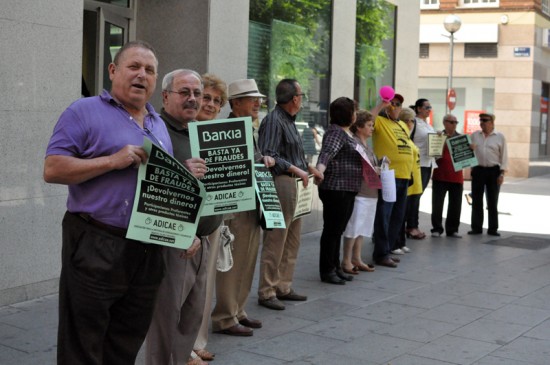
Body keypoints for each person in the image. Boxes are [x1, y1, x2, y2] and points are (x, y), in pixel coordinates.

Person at [43, 40, 175, 365]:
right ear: (113, 70)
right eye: (134, 67)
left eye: (149, 70)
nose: (141, 75)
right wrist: (110, 161)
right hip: (96, 242)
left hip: (147, 247)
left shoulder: (158, 124)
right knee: (83, 343)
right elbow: (53, 169)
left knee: (126, 341)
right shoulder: (83, 111)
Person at [146, 69, 221, 365]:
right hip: (174, 243)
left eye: (197, 93)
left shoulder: (199, 132)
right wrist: (181, 170)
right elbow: (148, 185)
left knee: (189, 322)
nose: (193, 99)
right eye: (184, 92)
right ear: (165, 96)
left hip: (202, 241)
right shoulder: (155, 130)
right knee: (165, 324)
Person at [211, 79, 276, 335]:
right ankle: (226, 316)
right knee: (234, 262)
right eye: (252, 99)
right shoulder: (228, 127)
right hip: (236, 206)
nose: (258, 103)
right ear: (235, 103)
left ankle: (238, 310)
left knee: (248, 259)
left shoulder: (248, 127)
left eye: (258, 99)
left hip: (252, 202)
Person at [257, 78, 323, 310]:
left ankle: (283, 285)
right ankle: (267, 290)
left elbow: (292, 153)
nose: (302, 99)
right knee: (277, 239)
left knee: (292, 239)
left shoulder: (288, 120)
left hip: (296, 182)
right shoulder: (274, 120)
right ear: (295, 99)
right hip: (282, 183)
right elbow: (269, 154)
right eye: (301, 95)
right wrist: (296, 168)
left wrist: (308, 167)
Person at [189, 73, 228, 364]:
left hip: (214, 218)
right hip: (187, 216)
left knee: (205, 282)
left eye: (217, 100)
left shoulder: (224, 134)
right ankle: (182, 345)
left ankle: (198, 340)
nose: (211, 104)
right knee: (182, 284)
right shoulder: (183, 130)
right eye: (207, 97)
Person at [315, 97, 362, 285]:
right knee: (332, 231)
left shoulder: (346, 133)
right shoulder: (335, 133)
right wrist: (319, 170)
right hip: (336, 189)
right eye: (354, 111)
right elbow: (327, 153)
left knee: (338, 230)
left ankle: (335, 267)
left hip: (347, 189)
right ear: (347, 114)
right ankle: (327, 271)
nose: (356, 115)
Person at [370, 93, 415, 268]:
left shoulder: (403, 125)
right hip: (389, 175)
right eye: (393, 103)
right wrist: (382, 105)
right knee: (384, 215)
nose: (395, 106)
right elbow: (367, 119)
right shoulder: (380, 122)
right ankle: (381, 253)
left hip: (404, 175)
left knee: (397, 216)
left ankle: (387, 249)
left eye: (398, 104)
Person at [340, 110, 378, 275]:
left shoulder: (366, 144)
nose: (372, 128)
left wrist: (381, 163)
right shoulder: (355, 143)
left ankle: (357, 257)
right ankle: (346, 260)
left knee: (362, 227)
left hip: (370, 191)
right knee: (353, 226)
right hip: (360, 191)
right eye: (369, 125)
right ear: (359, 127)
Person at [468, 113, 508, 236]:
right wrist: (469, 149)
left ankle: (493, 229)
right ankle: (476, 227)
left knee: (492, 201)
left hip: (493, 171)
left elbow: (504, 156)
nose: (482, 123)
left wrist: (502, 174)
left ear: (492, 122)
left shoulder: (500, 137)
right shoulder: (474, 135)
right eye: (481, 120)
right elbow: (467, 153)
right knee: (477, 200)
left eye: (485, 120)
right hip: (478, 170)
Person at [403, 98, 435, 239]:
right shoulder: (413, 122)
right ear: (418, 108)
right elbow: (406, 139)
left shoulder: (428, 125)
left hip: (428, 163)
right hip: (417, 164)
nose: (429, 109)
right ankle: (411, 226)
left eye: (430, 107)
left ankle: (411, 225)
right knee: (413, 196)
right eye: (427, 107)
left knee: (418, 196)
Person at [392, 107, 421, 255]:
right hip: (401, 176)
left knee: (404, 213)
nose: (412, 124)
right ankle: (395, 242)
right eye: (411, 120)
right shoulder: (400, 135)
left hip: (411, 178)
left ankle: (401, 241)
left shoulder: (408, 137)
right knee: (398, 214)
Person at [431, 114, 464, 238]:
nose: (454, 124)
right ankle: (436, 228)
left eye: (456, 122)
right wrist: (442, 141)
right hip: (440, 175)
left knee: (455, 205)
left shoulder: (461, 138)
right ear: (444, 122)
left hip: (457, 176)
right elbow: (433, 155)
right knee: (437, 204)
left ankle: (452, 229)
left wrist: (471, 149)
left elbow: (467, 158)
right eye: (451, 122)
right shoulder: (438, 136)